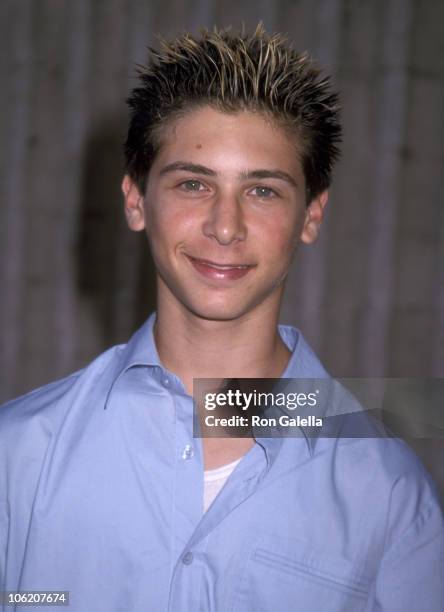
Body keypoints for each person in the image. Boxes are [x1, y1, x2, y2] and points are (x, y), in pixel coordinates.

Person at [0, 25, 443, 612]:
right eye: (192, 183)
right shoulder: (17, 455)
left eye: (262, 191)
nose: (225, 226)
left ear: (312, 214)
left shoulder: (388, 489)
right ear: (136, 200)